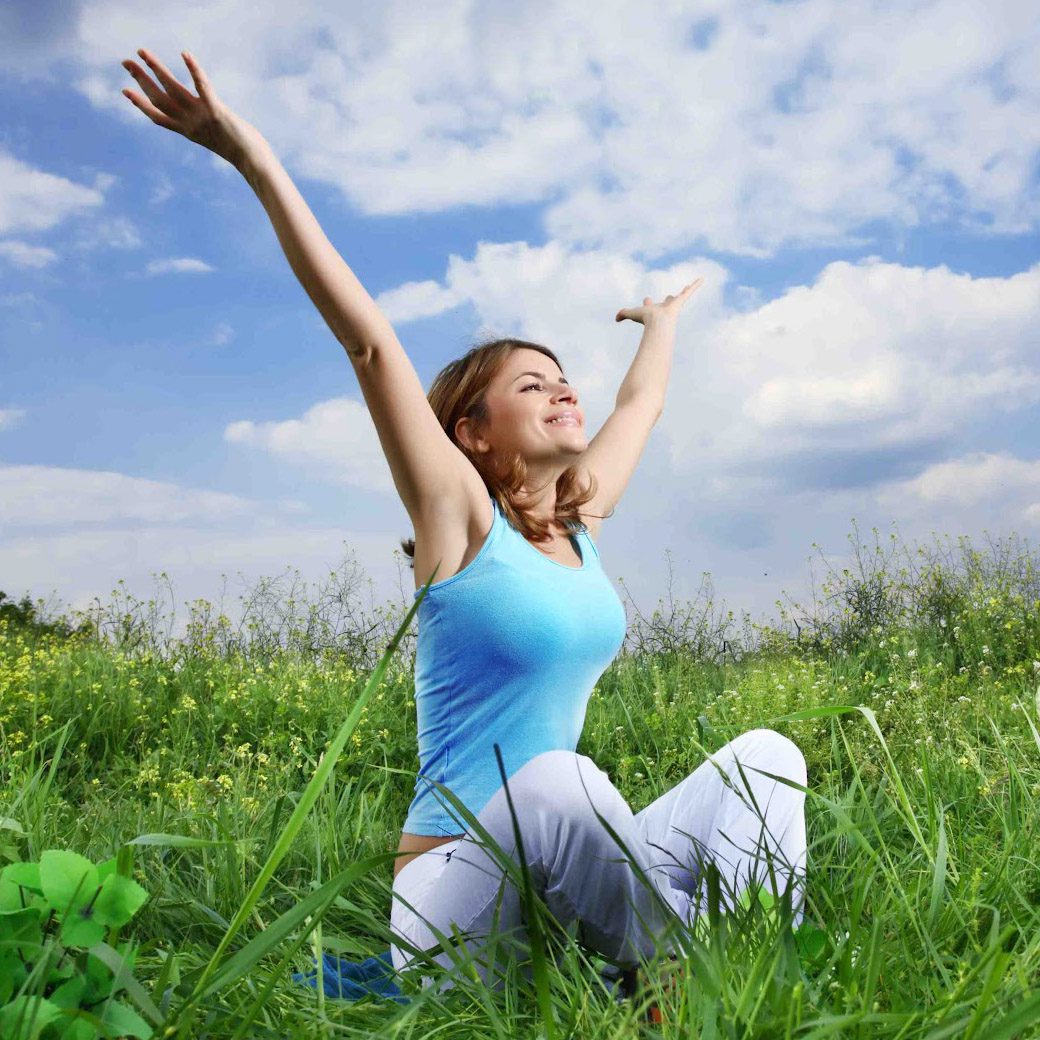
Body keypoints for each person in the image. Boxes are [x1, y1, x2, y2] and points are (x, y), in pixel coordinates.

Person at [121, 47, 809, 997]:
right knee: (562, 782)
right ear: (470, 435)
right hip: (456, 897)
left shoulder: (580, 521)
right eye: (532, 383)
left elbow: (639, 407)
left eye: (562, 374)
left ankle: (764, 965)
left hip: (560, 861)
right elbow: (368, 341)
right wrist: (252, 158)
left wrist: (660, 327)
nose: (564, 386)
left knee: (765, 758)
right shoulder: (459, 522)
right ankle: (683, 971)